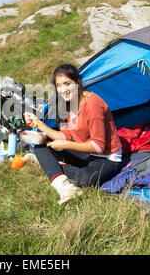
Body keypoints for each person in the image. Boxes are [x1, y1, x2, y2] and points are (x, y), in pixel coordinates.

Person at [24, 64, 122, 204]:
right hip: (85, 152)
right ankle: (64, 186)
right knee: (40, 145)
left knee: (84, 179)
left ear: (78, 82)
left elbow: (99, 146)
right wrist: (38, 123)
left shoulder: (93, 103)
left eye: (67, 84)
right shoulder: (69, 103)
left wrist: (65, 144)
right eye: (59, 86)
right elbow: (69, 134)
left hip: (107, 157)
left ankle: (50, 167)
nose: (63, 90)